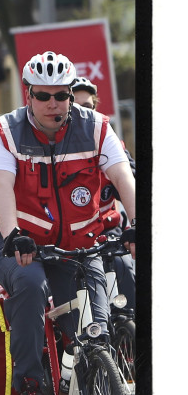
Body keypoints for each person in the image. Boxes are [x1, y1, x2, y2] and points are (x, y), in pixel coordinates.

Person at [0, 51, 136, 395]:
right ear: (28, 95)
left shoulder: (95, 126)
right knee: (31, 286)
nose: (54, 103)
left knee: (95, 329)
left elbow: (123, 176)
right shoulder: (6, 132)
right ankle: (32, 386)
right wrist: (13, 234)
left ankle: (97, 391)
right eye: (43, 95)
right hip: (18, 244)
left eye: (61, 95)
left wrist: (138, 224)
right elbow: (1, 188)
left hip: (79, 246)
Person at [70, 76, 136, 308]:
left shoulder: (110, 142)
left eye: (87, 107)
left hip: (108, 229)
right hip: (70, 236)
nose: (81, 114)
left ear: (96, 109)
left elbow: (130, 181)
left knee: (124, 266)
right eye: (75, 107)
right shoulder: (53, 146)